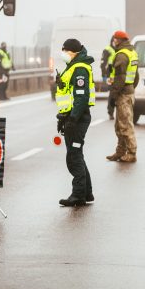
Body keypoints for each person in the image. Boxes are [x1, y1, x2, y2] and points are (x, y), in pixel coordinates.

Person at [55, 38, 95, 207]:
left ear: (73, 52)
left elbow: (81, 97)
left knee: (74, 156)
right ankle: (87, 192)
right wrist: (63, 117)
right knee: (76, 154)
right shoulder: (73, 67)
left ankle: (78, 195)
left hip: (77, 118)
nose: (63, 54)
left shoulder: (79, 68)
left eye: (65, 51)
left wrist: (72, 118)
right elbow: (70, 94)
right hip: (72, 117)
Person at [106, 30, 139, 162]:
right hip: (128, 92)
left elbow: (119, 79)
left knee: (125, 125)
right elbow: (136, 75)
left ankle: (131, 153)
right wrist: (131, 88)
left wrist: (113, 95)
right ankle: (120, 151)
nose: (113, 42)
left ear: (118, 40)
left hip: (122, 93)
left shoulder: (121, 55)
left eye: (115, 40)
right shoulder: (132, 52)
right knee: (120, 125)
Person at [101, 43, 116, 120]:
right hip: (110, 75)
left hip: (120, 74)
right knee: (112, 94)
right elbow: (103, 63)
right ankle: (111, 112)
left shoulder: (120, 49)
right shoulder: (108, 49)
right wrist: (104, 74)